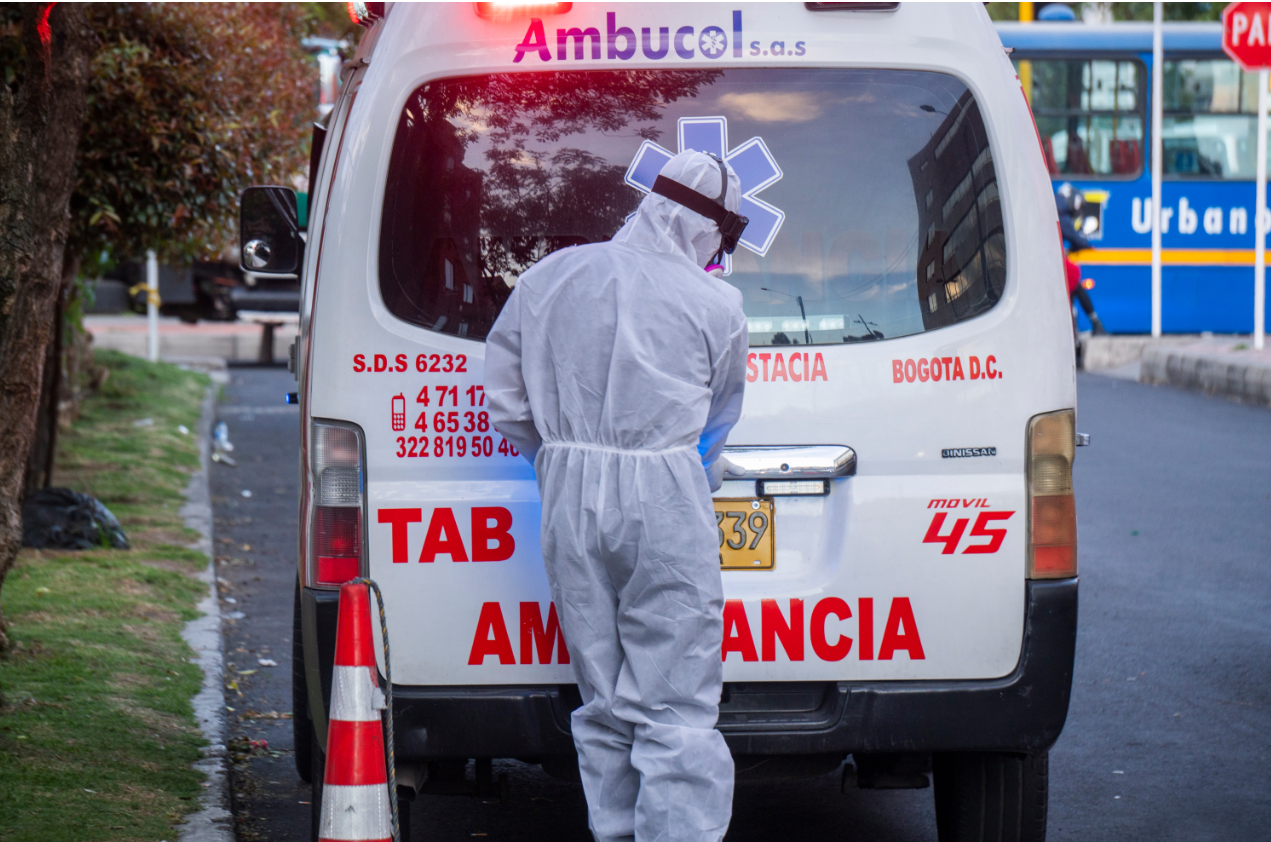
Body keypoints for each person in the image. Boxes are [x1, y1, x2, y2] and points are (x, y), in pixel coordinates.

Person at [485, 150, 750, 842]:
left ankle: (620, 833)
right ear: (709, 228)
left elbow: (506, 400)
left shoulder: (549, 278)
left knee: (601, 693)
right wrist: (695, 467)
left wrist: (555, 458)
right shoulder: (716, 303)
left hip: (568, 490)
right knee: (676, 697)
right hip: (665, 491)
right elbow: (718, 416)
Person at [1055, 182, 1107, 335]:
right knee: (1074, 275)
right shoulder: (1062, 213)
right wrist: (1086, 244)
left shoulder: (1054, 205)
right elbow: (1075, 238)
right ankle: (1095, 322)